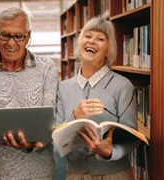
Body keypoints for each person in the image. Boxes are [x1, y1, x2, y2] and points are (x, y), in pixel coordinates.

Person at [0, 7, 58, 180]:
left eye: (18, 36)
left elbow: (51, 118)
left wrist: (35, 142)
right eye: (5, 35)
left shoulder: (47, 69)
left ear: (28, 36)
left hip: (37, 172)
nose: (11, 43)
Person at [56, 17, 138, 179]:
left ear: (108, 51)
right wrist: (74, 117)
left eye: (100, 39)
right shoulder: (63, 87)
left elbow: (132, 136)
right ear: (79, 44)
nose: (92, 41)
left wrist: (111, 152)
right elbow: (57, 136)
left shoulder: (123, 85)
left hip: (115, 174)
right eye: (87, 36)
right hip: (75, 174)